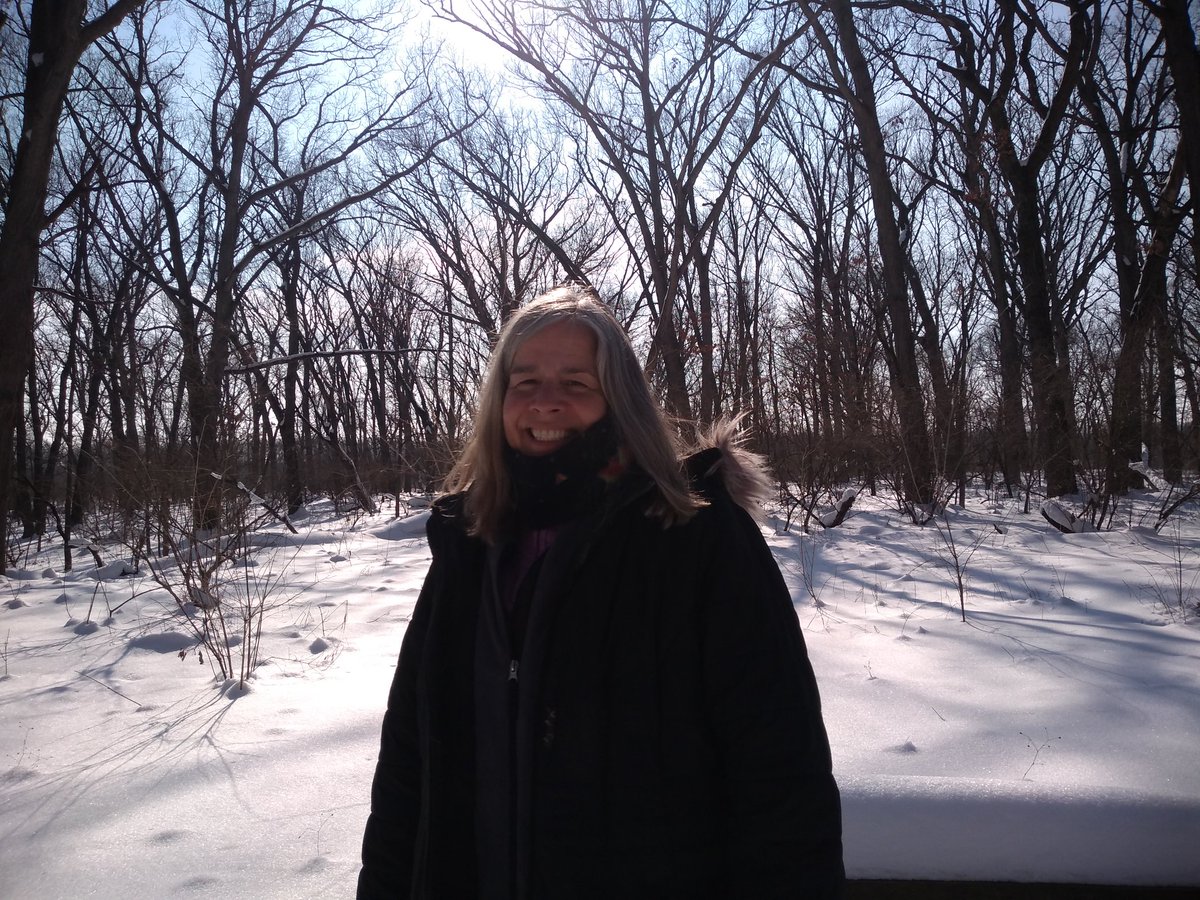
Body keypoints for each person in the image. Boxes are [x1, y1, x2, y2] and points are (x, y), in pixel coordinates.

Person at [358, 285, 844, 899]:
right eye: (525, 381)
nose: (546, 401)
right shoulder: (470, 543)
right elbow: (409, 764)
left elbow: (781, 769)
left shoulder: (696, 538)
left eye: (577, 383)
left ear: (620, 401)